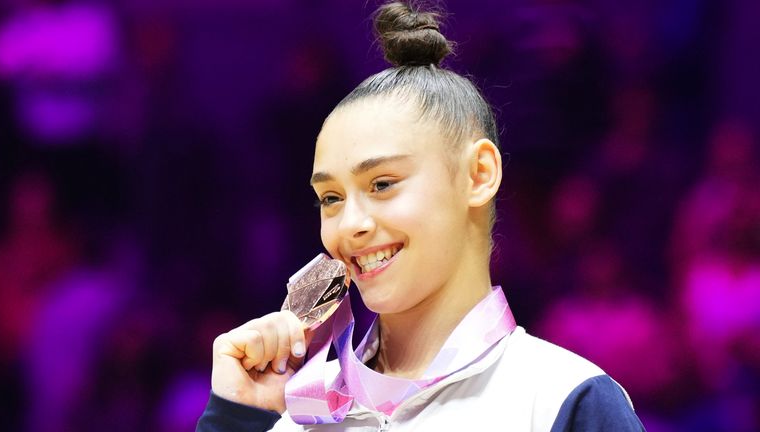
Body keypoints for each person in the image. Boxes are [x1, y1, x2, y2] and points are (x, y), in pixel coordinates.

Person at [197, 2, 645, 430]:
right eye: (330, 198)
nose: (350, 225)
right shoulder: (294, 411)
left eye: (382, 184)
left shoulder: (564, 401)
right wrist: (236, 419)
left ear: (478, 174)